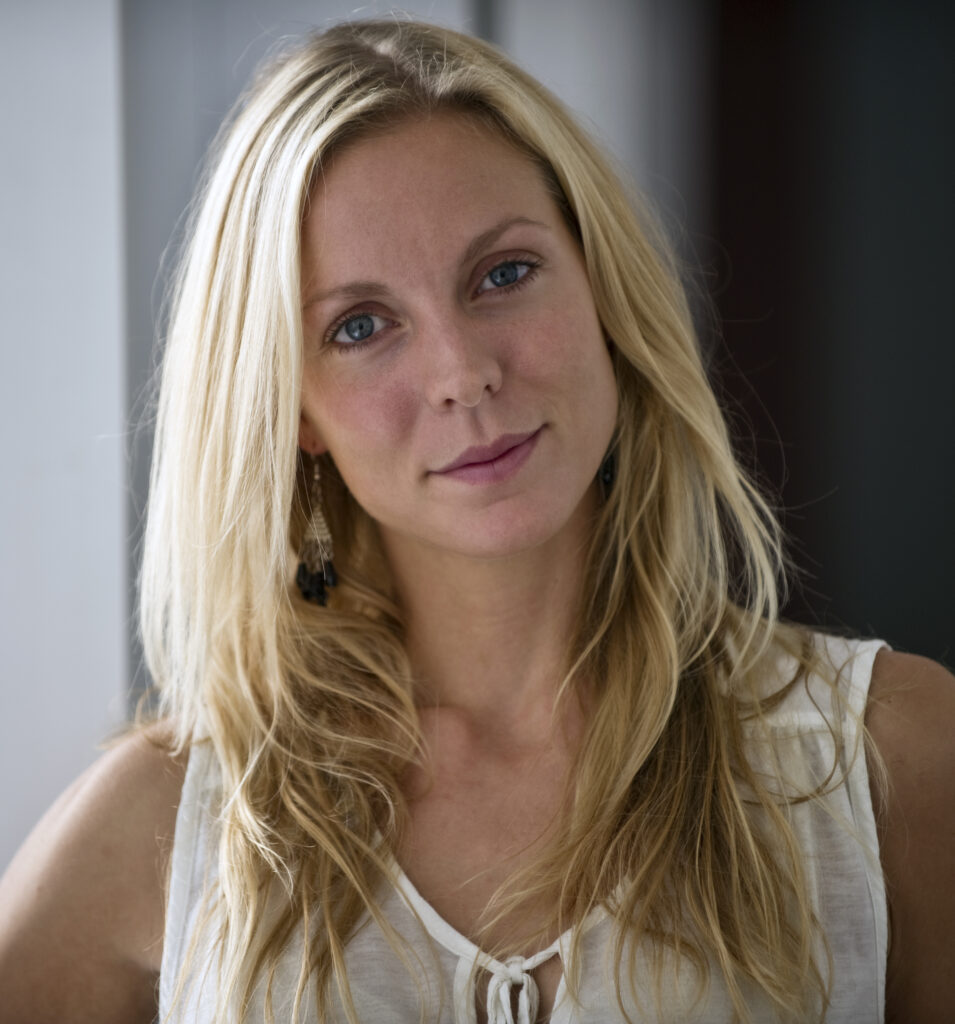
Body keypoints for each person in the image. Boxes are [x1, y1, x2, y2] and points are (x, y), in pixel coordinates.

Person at [0, 18, 952, 1024]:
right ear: (294, 411)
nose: (462, 373)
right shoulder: (164, 825)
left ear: (601, 290)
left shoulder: (890, 760)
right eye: (359, 326)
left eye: (503, 273)